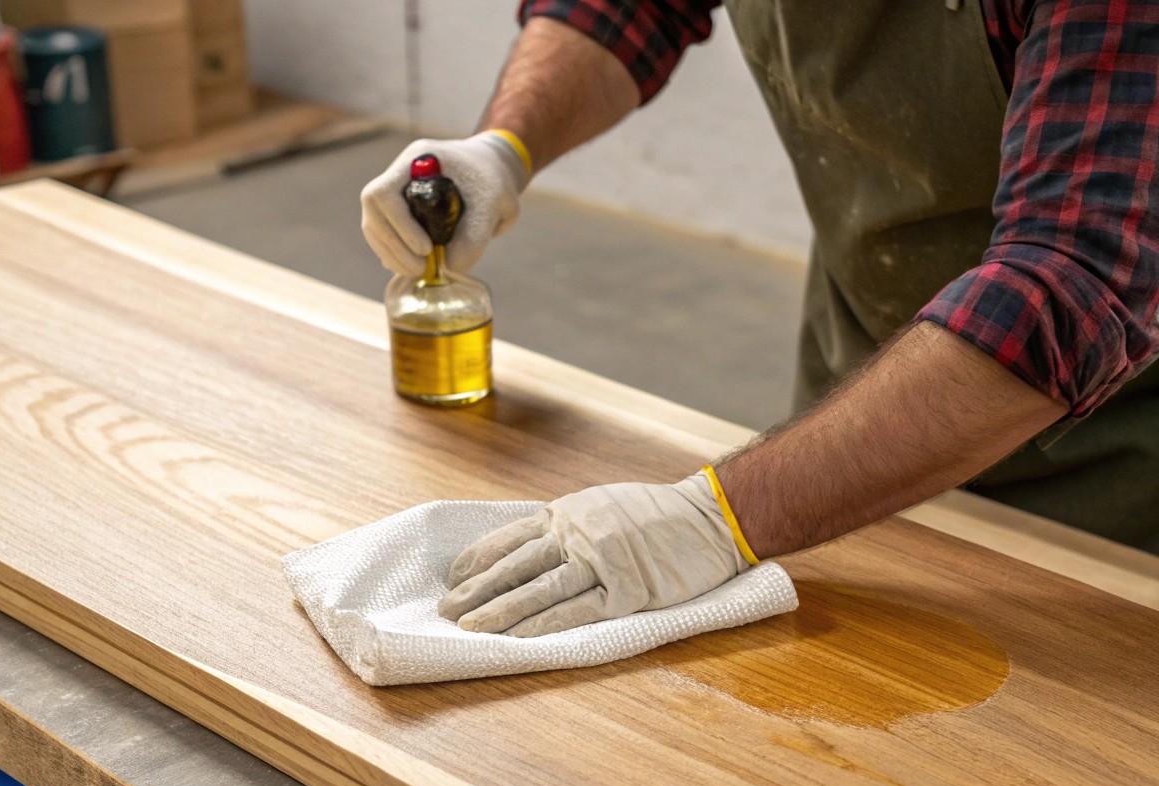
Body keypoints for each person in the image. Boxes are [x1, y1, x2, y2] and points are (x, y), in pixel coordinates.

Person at [361, 1, 1159, 637]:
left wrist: (715, 519)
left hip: (1121, 483)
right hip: (869, 409)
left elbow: (1073, 278)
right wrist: (505, 148)